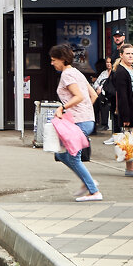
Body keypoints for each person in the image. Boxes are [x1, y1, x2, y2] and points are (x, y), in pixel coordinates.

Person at [49, 43, 102, 201]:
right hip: (85, 120)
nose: (52, 63)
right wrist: (84, 111)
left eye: (54, 60)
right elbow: (93, 96)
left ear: (63, 59)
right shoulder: (77, 72)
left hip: (78, 122)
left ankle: (93, 190)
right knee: (61, 155)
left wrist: (62, 108)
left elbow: (78, 96)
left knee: (73, 157)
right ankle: (88, 182)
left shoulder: (67, 75)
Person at [106, 43, 133, 177]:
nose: (130, 56)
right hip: (132, 109)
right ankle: (130, 168)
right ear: (121, 55)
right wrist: (125, 117)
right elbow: (122, 96)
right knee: (131, 138)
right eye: (127, 53)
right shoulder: (121, 71)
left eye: (132, 53)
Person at [93, 57, 113, 132]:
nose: (108, 64)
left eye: (110, 62)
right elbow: (96, 83)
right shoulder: (104, 73)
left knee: (103, 101)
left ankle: (105, 124)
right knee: (95, 101)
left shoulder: (115, 73)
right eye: (107, 62)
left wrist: (101, 88)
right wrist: (98, 87)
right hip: (101, 94)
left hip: (110, 95)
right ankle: (95, 123)